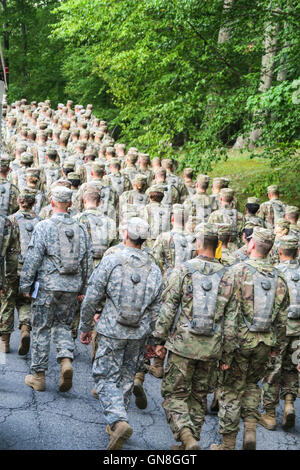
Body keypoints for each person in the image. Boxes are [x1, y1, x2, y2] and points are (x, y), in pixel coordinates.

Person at [79, 217, 163, 450]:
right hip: (138, 333)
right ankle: (116, 427)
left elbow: (92, 296)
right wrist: (154, 341)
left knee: (105, 376)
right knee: (127, 377)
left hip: (111, 329)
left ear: (125, 235)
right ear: (144, 240)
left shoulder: (112, 260)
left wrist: (85, 326)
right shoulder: (154, 269)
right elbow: (158, 310)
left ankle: (118, 420)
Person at [152, 223, 238, 450]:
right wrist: (227, 355)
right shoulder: (229, 276)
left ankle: (186, 437)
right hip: (212, 348)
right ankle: (190, 442)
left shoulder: (183, 269)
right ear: (217, 245)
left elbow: (168, 307)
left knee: (173, 393)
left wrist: (159, 340)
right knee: (199, 396)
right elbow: (231, 321)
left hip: (183, 345)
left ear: (199, 243)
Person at [211, 227, 289, 450]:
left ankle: (227, 445)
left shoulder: (235, 271)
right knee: (252, 386)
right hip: (265, 344)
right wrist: (276, 348)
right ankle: (251, 431)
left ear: (252, 244)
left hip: (237, 344)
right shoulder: (280, 277)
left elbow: (222, 312)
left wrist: (223, 351)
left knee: (229, 391)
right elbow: (282, 319)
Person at [19, 186, 92, 392]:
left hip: (47, 286)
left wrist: (25, 285)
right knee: (63, 325)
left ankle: (39, 376)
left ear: (52, 203)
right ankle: (66, 360)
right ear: (70, 204)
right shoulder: (81, 229)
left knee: (41, 328)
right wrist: (84, 287)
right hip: (71, 286)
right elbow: (87, 262)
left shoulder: (44, 226)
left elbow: (33, 257)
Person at [260, 235, 300, 430]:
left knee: (273, 369)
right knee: (292, 367)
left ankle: (269, 414)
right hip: (298, 330)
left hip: (280, 330)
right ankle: (289, 404)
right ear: (298, 252)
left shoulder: (275, 273)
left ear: (279, 251)